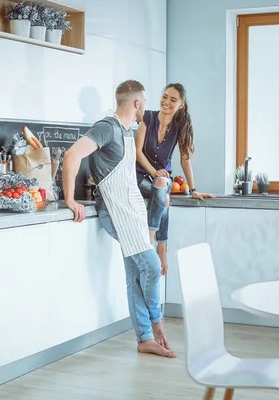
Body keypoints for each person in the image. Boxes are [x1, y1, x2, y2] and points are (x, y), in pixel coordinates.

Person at [62, 80, 175, 358]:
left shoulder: (126, 130)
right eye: (145, 102)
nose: (146, 106)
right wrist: (69, 199)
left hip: (131, 208)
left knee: (135, 272)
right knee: (150, 265)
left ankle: (144, 338)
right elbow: (72, 154)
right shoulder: (107, 127)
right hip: (114, 209)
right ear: (137, 103)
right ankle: (156, 324)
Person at [135, 83, 215, 276]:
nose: (167, 102)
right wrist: (154, 172)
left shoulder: (180, 127)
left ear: (181, 105)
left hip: (162, 179)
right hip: (140, 175)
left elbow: (185, 159)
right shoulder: (147, 117)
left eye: (173, 100)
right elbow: (137, 152)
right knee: (163, 197)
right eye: (165, 96)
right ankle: (162, 246)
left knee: (162, 186)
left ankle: (150, 239)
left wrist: (194, 189)